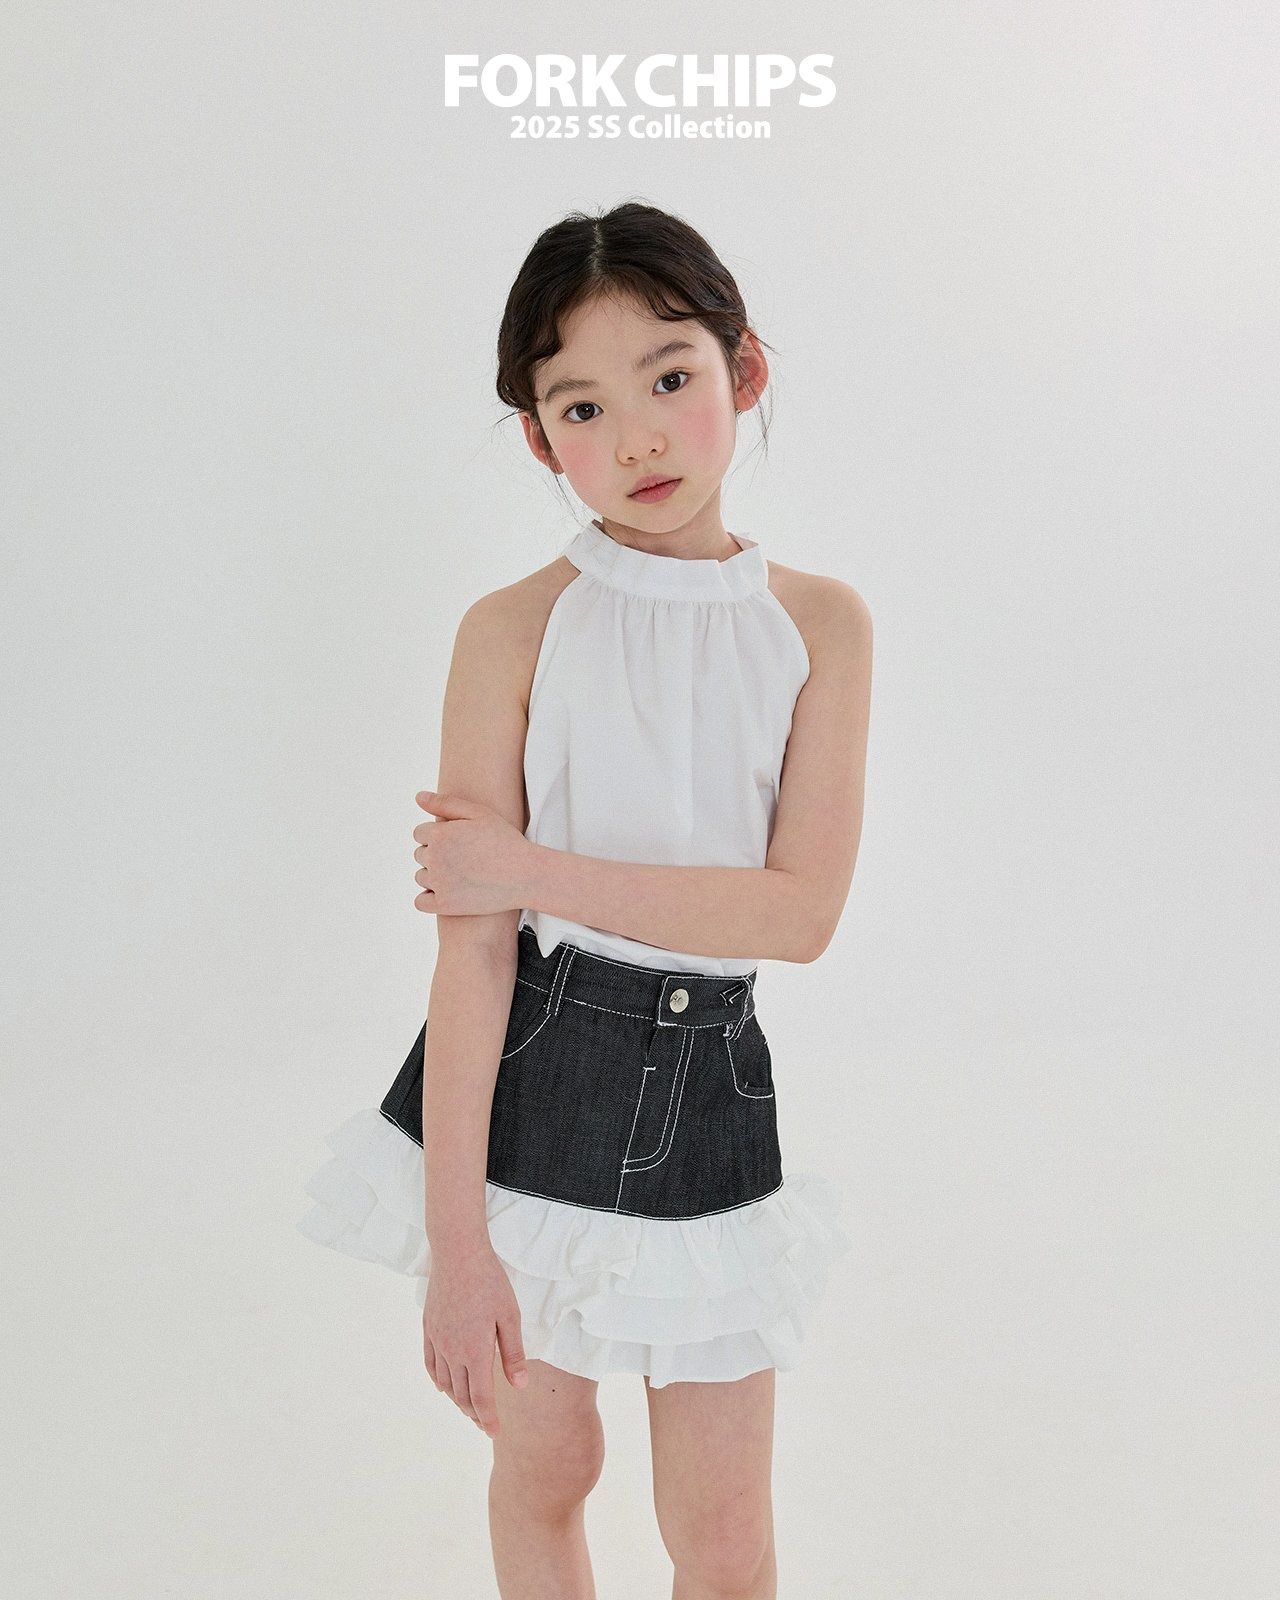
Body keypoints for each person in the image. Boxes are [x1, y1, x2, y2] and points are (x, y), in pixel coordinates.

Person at [298, 200, 873, 1599]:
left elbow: (796, 916)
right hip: (532, 1081)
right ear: (540, 438)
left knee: (723, 1536)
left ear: (744, 369)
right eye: (583, 408)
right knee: (547, 1470)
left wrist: (534, 871)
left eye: (671, 378)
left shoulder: (819, 626)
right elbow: (475, 957)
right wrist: (458, 1252)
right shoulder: (511, 630)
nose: (638, 439)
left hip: (713, 1091)